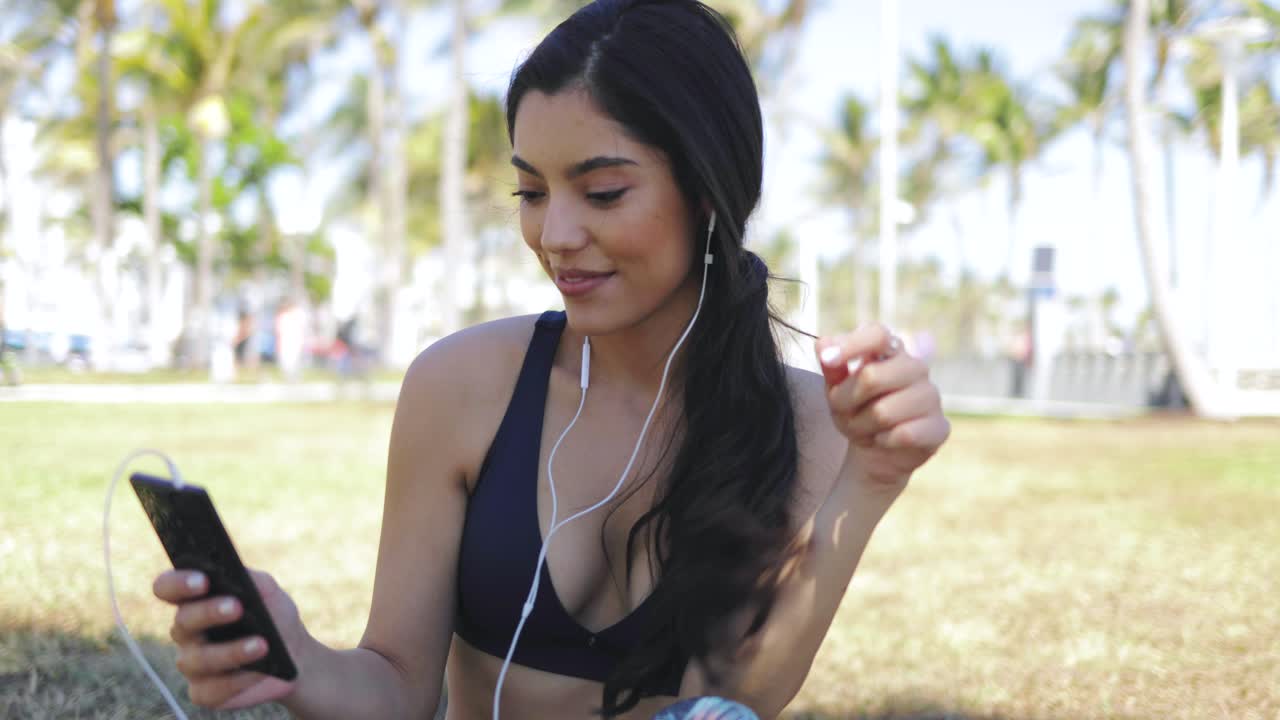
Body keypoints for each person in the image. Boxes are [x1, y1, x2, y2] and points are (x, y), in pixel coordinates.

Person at [150, 2, 950, 718]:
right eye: (531, 193)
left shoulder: (810, 423)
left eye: (602, 193)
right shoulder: (462, 387)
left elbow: (737, 703)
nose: (555, 236)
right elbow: (396, 684)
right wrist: (301, 667)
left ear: (708, 192)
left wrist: (872, 483)